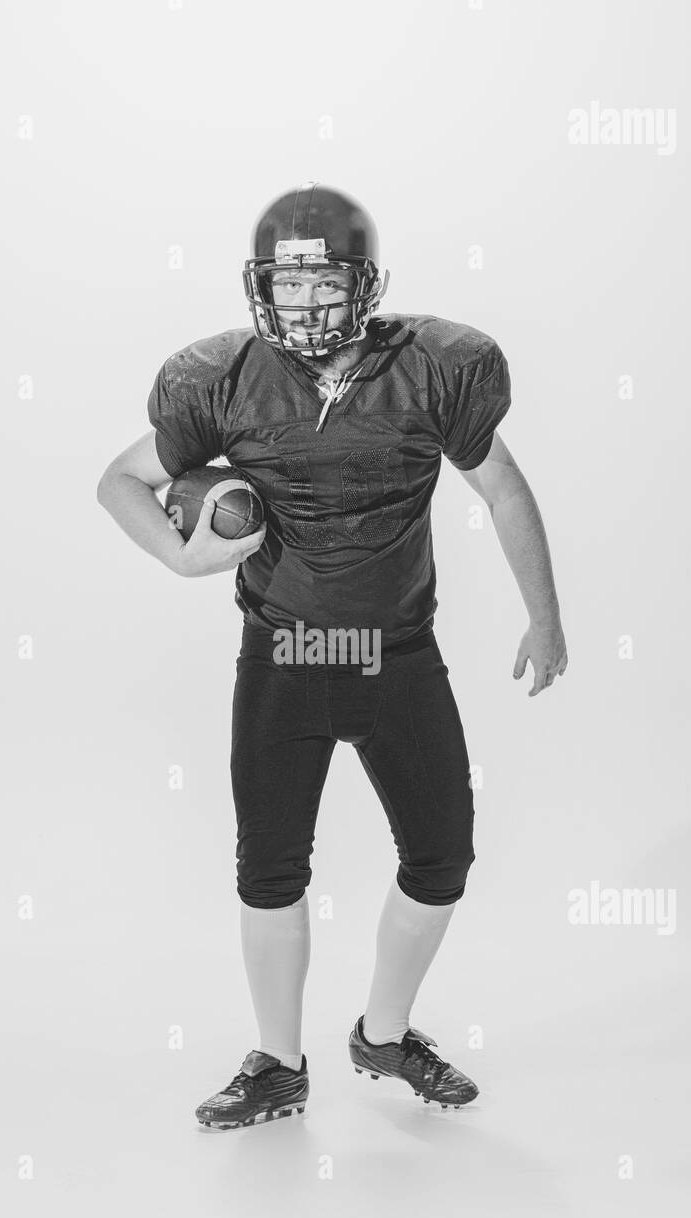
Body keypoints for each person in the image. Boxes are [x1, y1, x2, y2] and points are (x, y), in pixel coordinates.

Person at [97, 181, 567, 1130]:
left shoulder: (435, 367)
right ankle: (277, 1063)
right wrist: (183, 559)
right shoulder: (220, 379)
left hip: (397, 652)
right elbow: (119, 482)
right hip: (284, 653)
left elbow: (504, 488)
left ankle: (382, 1036)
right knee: (270, 868)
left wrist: (544, 616)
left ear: (367, 284)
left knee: (441, 859)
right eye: (288, 286)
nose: (306, 306)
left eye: (324, 287)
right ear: (259, 287)